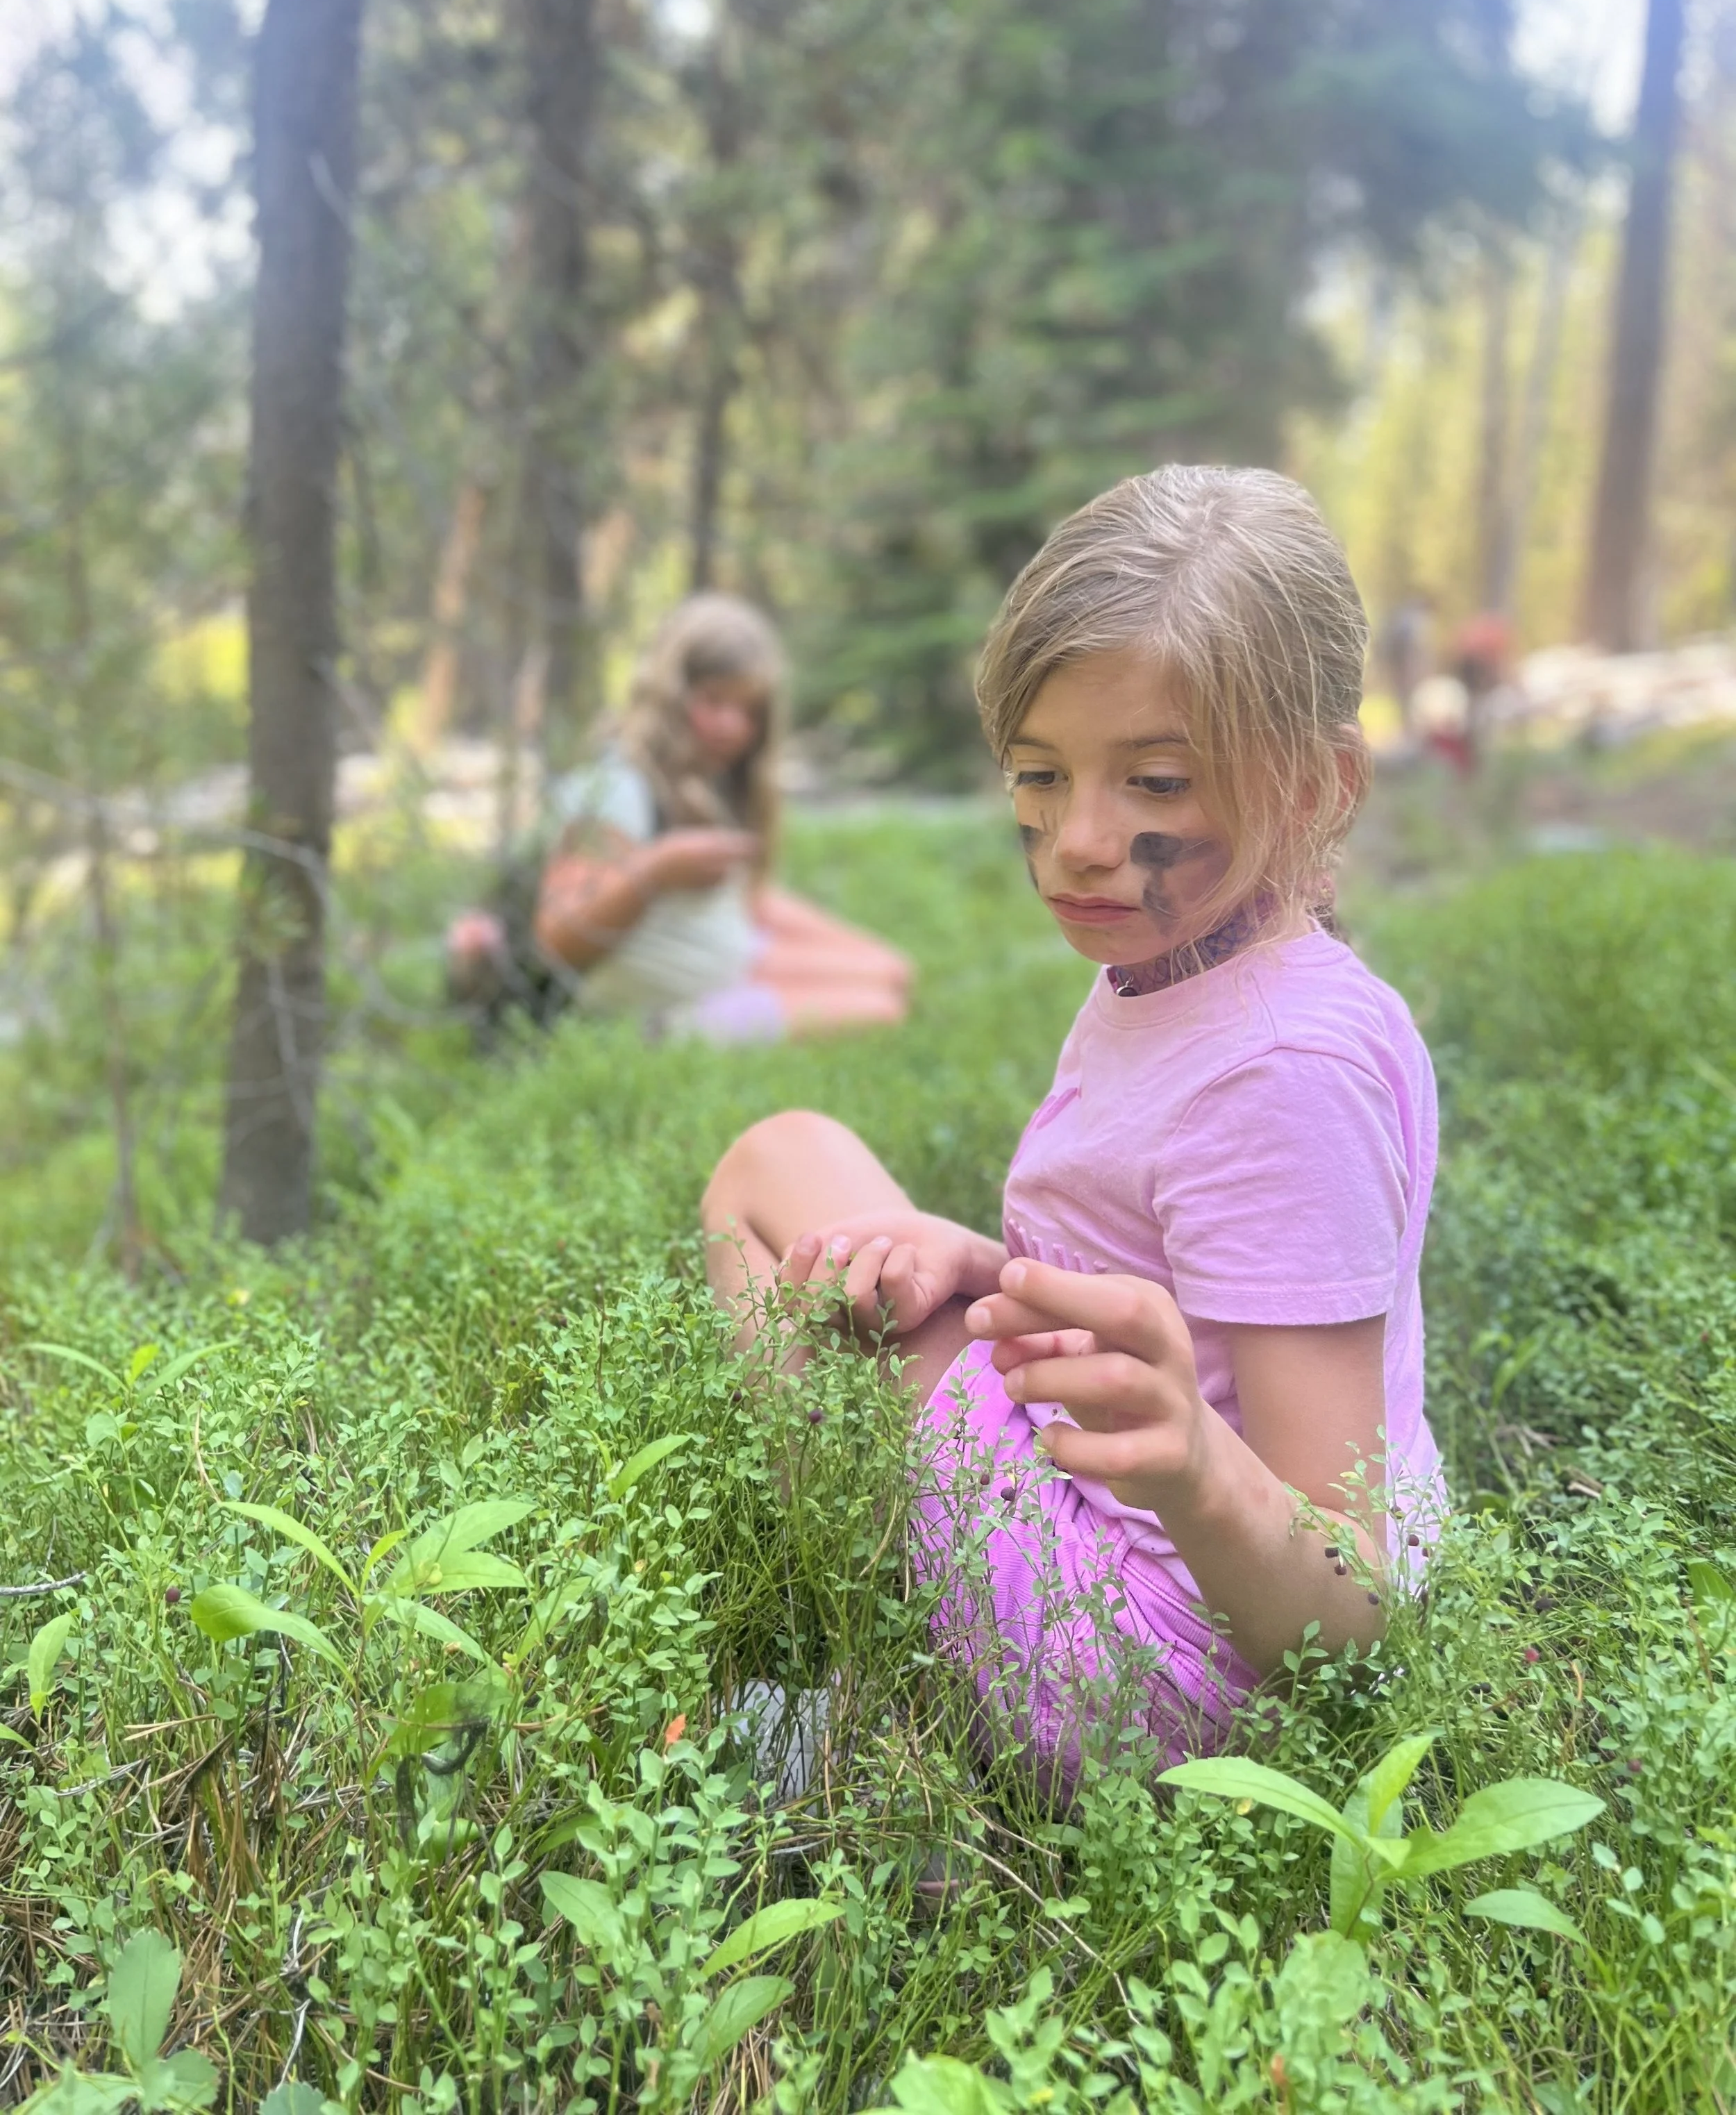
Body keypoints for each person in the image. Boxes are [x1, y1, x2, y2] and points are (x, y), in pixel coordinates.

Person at [702, 465, 1441, 1791]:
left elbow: (1351, 1609)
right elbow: (1181, 1296)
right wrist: (982, 1266)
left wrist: (1202, 1469)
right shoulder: (1194, 970)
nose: (1082, 841)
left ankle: (871, 1711)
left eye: (1155, 782)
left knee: (770, 1167)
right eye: (1041, 774)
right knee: (806, 1170)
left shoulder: (1278, 1073)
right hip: (1131, 1558)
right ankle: (894, 1639)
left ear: (1320, 783)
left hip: (1146, 1674)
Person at [520, 594, 911, 1041]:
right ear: (669, 694)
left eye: (749, 711)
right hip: (670, 1014)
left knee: (892, 973)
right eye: (714, 700)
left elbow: (749, 898)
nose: (732, 726)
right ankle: (680, 1034)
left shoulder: (710, 780)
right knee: (881, 1007)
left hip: (730, 962)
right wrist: (655, 871)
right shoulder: (619, 789)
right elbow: (557, 939)